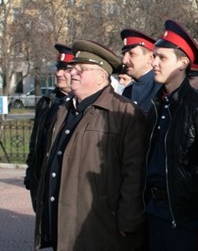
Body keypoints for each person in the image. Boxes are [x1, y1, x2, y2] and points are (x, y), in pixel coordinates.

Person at [34, 40, 148, 250]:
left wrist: (128, 220)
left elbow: (135, 172)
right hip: (62, 223)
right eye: (72, 68)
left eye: (82, 69)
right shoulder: (63, 110)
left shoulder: (125, 113)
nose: (73, 73)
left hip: (100, 227)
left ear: (101, 77)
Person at [145, 19, 198, 251]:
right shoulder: (158, 104)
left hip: (186, 219)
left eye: (162, 57)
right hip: (154, 211)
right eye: (154, 56)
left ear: (182, 63)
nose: (154, 63)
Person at [25, 43, 73, 211]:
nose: (59, 73)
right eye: (58, 67)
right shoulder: (47, 102)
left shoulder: (83, 105)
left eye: (66, 69)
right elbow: (36, 142)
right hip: (43, 181)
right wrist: (31, 175)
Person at [120, 28, 162, 112]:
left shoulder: (161, 89)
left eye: (132, 54)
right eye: (124, 54)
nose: (124, 60)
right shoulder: (128, 91)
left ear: (150, 58)